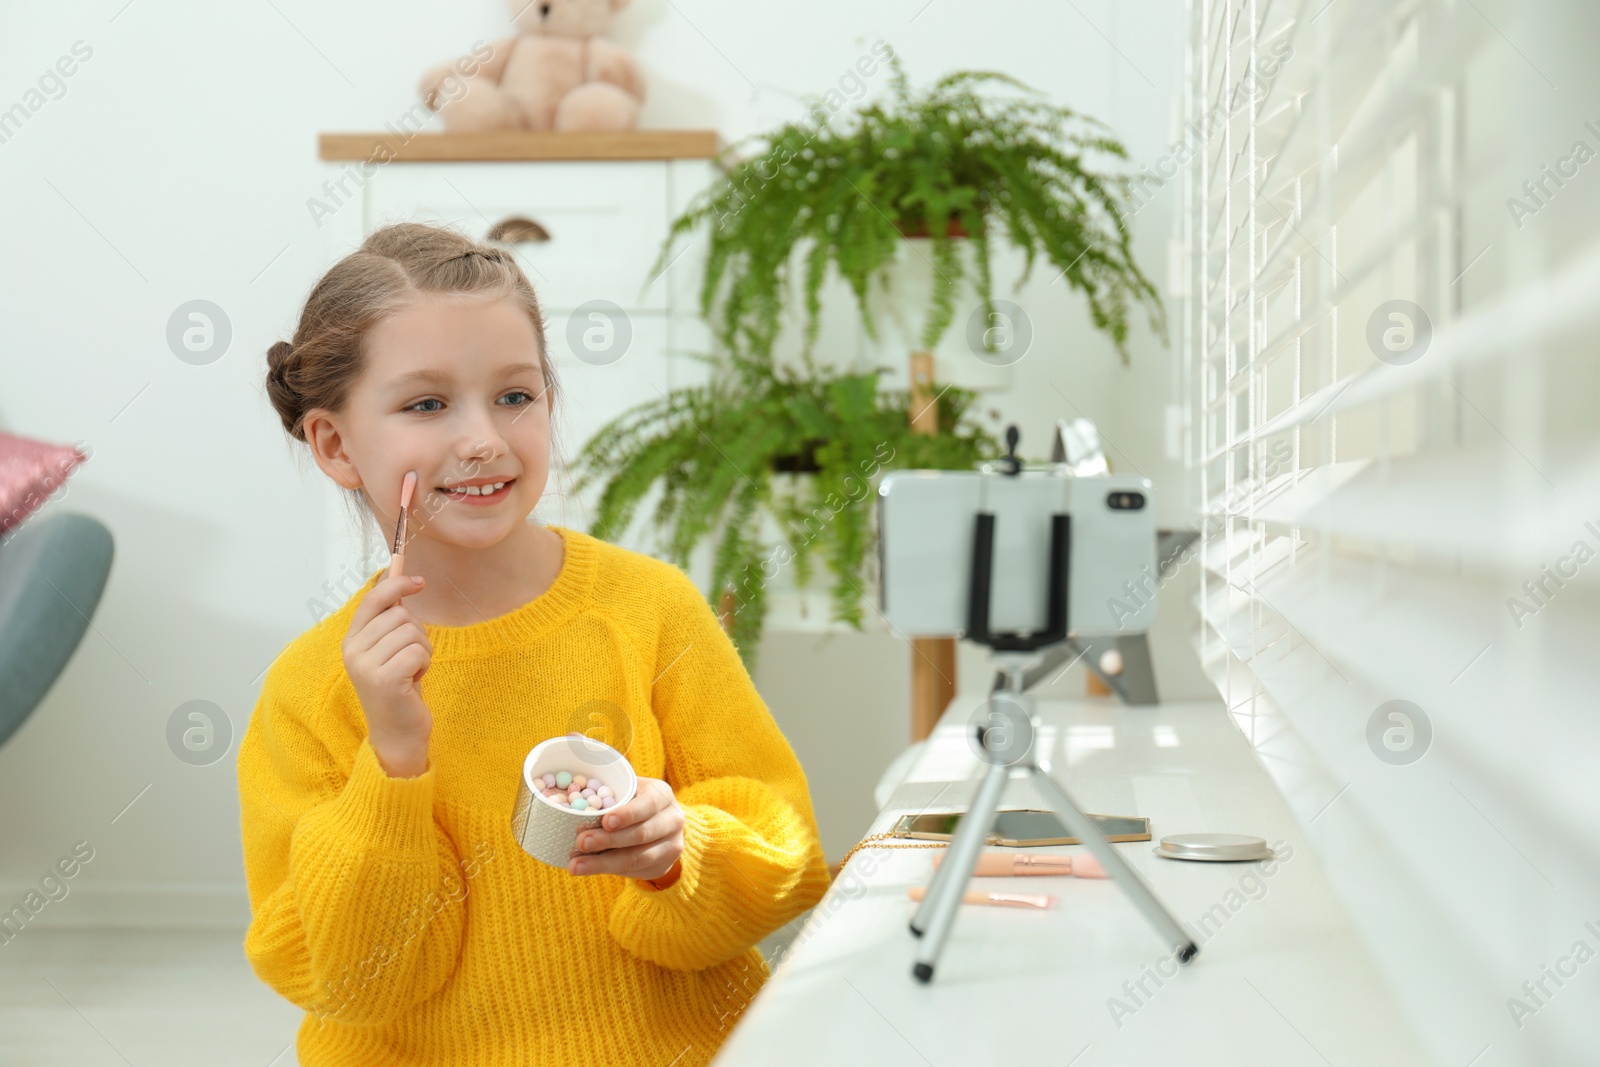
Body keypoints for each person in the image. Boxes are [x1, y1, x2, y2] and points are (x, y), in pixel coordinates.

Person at [241, 220, 830, 1065]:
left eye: (516, 396)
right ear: (335, 443)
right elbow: (354, 986)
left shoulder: (649, 608)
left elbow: (789, 855)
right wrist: (395, 760)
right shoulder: (309, 691)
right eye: (427, 403)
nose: (483, 436)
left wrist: (678, 855)